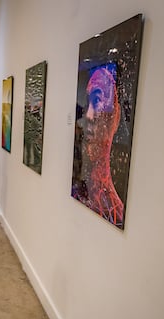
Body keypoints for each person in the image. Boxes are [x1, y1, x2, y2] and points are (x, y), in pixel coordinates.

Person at [72, 64, 124, 227]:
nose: (88, 115)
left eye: (97, 101)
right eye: (89, 103)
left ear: (115, 116)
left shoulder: (115, 212)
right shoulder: (84, 191)